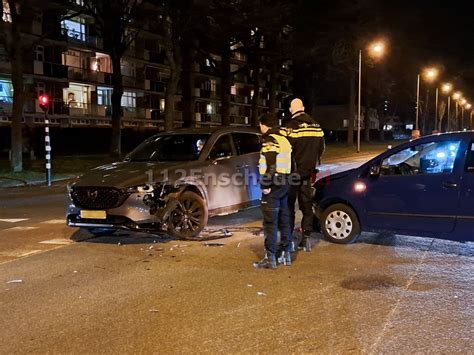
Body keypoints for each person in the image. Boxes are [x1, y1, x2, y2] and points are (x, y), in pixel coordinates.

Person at [283, 98, 325, 252]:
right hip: (308, 173)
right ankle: (306, 239)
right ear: (303, 108)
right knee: (306, 206)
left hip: (292, 173)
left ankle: (289, 239)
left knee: (289, 206)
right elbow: (321, 148)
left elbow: (285, 150)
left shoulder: (290, 126)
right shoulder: (316, 126)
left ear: (290, 110)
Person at [253, 113, 293, 269]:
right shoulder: (284, 140)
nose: (260, 128)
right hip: (284, 183)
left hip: (273, 185)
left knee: (270, 222)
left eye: (260, 125)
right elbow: (292, 164)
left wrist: (265, 185)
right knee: (284, 218)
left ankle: (270, 258)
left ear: (265, 125)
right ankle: (286, 254)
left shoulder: (270, 139)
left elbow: (271, 164)